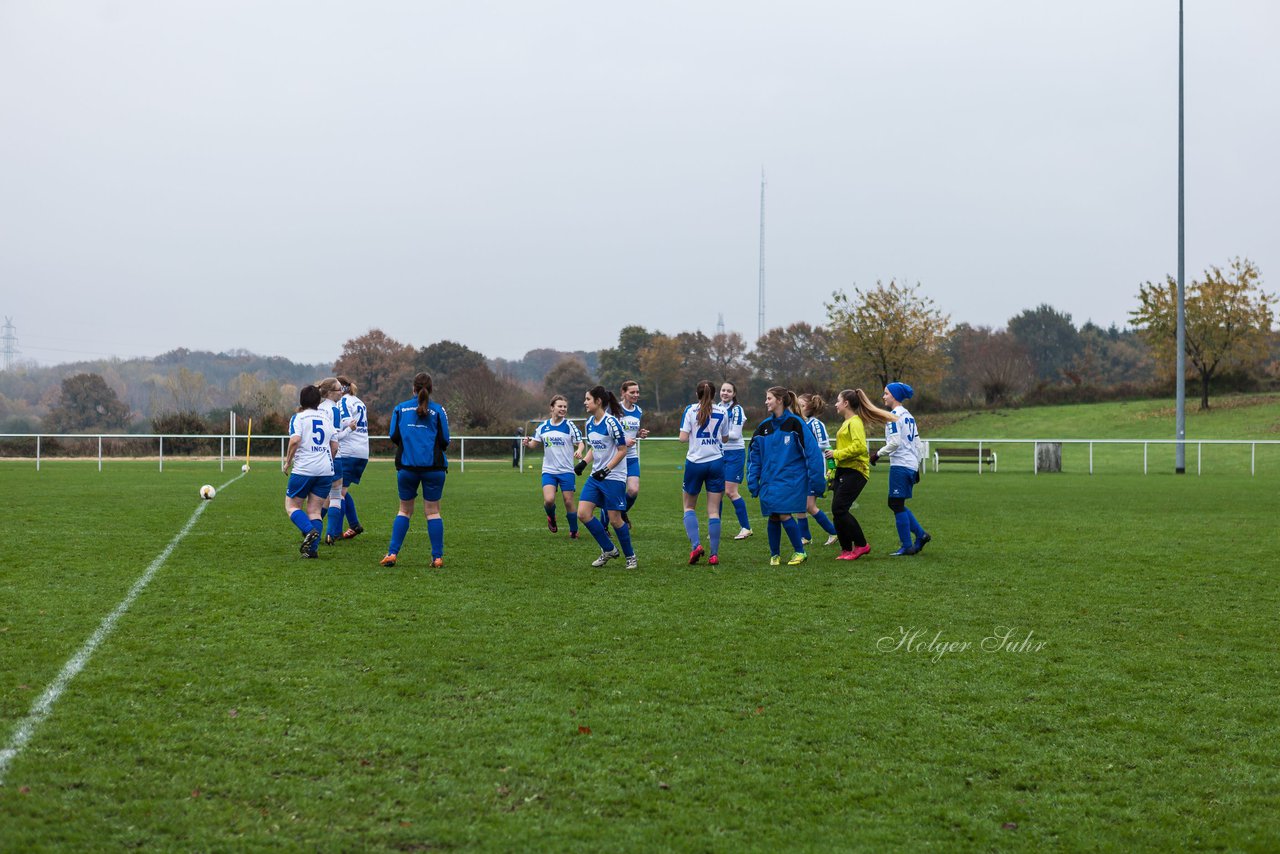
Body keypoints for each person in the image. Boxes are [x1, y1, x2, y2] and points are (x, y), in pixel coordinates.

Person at [746, 386, 826, 566]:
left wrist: (817, 481)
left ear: (779, 400)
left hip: (791, 480)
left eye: (769, 398)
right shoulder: (763, 427)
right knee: (773, 515)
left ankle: (800, 551)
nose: (766, 402)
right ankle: (775, 555)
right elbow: (753, 457)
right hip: (769, 480)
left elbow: (812, 453)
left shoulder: (796, 424)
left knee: (782, 513)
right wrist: (753, 480)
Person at [380, 372, 450, 568]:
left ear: (413, 388)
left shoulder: (400, 409)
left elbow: (393, 435)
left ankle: (392, 554)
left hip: (407, 467)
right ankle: (437, 557)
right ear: (431, 389)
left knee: (404, 511)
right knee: (433, 512)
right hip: (434, 468)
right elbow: (445, 439)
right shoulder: (438, 410)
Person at [826, 388, 898, 560]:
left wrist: (836, 454)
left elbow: (859, 448)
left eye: (838, 401)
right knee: (837, 510)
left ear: (846, 403)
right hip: (844, 469)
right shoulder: (846, 423)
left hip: (857, 470)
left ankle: (861, 545)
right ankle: (846, 549)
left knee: (839, 508)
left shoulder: (855, 422)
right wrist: (832, 469)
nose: (835, 404)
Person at [577, 385, 637, 569]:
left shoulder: (612, 423)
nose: (585, 402)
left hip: (613, 477)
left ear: (598, 401)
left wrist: (607, 469)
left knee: (615, 519)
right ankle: (608, 549)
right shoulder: (589, 423)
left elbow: (622, 450)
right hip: (596, 476)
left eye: (588, 399)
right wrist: (584, 463)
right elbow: (595, 448)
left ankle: (630, 557)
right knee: (583, 514)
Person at [872, 382, 931, 556]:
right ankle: (921, 535)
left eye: (886, 393)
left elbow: (895, 442)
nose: (883, 396)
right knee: (897, 503)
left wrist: (877, 454)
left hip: (901, 464)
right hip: (910, 464)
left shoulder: (893, 416)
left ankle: (907, 545)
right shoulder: (909, 415)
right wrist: (917, 466)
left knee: (895, 503)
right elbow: (918, 443)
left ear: (895, 396)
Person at [282, 385, 339, 559]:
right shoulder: (326, 417)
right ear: (318, 401)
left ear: (301, 401)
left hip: (304, 469)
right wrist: (326, 460)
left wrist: (287, 462)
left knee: (292, 506)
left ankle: (309, 531)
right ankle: (312, 550)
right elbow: (335, 446)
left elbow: (295, 440)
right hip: (326, 469)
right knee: (314, 511)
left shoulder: (298, 418)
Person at [679, 380, 727, 565]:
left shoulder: (690, 410)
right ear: (714, 395)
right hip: (716, 462)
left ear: (696, 393)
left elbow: (683, 438)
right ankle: (714, 555)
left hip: (695, 463)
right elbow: (725, 437)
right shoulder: (723, 412)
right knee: (713, 511)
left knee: (689, 507)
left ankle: (696, 545)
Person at [524, 394, 585, 538]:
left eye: (565, 407)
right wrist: (528, 443)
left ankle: (574, 530)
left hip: (566, 471)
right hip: (549, 471)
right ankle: (551, 517)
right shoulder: (543, 426)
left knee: (568, 501)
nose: (563, 409)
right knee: (549, 500)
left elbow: (580, 442)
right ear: (552, 408)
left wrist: (579, 450)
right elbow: (534, 443)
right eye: (560, 406)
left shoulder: (569, 426)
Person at [796, 393, 840, 547]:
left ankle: (834, 532)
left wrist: (831, 469)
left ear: (810, 407)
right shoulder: (800, 423)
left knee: (809, 506)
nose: (798, 408)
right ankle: (805, 537)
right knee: (799, 504)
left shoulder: (816, 424)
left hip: (815, 470)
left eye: (801, 405)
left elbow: (825, 445)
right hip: (802, 470)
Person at [332, 375, 370, 542]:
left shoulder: (343, 402)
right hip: (362, 451)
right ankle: (354, 524)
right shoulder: (359, 401)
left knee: (337, 493)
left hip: (349, 451)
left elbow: (348, 423)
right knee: (342, 490)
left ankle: (335, 532)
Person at [316, 377, 348, 545]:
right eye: (338, 390)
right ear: (329, 393)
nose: (341, 392)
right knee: (336, 496)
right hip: (334, 457)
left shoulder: (318, 408)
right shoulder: (334, 410)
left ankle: (310, 528)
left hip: (317, 458)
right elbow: (336, 437)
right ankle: (330, 534)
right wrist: (350, 429)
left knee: (318, 498)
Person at [719, 381, 753, 540]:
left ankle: (746, 528)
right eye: (723, 390)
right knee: (716, 492)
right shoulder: (717, 408)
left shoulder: (737, 409)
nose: (725, 393)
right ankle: (715, 527)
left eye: (728, 391)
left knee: (730, 492)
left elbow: (735, 435)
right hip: (718, 454)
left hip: (734, 454)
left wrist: (715, 434)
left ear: (734, 394)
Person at [617, 380, 649, 527]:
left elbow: (633, 432)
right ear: (623, 393)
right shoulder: (614, 409)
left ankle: (621, 512)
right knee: (615, 493)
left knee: (633, 490)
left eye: (637, 392)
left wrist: (639, 433)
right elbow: (608, 432)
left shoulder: (639, 411)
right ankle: (605, 525)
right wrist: (623, 440)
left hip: (631, 457)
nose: (636, 395)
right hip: (616, 457)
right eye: (632, 392)